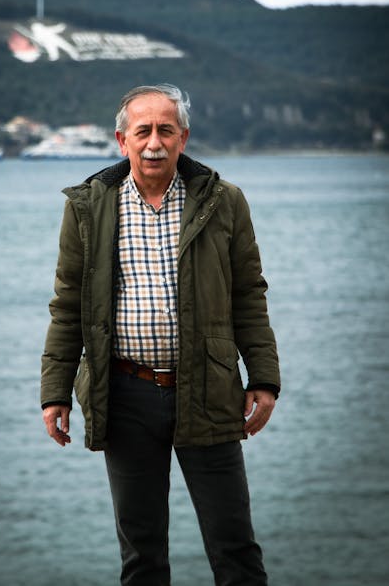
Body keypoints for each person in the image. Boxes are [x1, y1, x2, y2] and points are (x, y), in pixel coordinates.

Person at [41, 83, 280, 586]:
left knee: (235, 547)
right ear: (121, 140)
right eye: (142, 130)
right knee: (142, 554)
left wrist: (263, 377)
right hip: (124, 393)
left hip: (209, 390)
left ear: (183, 139)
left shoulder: (225, 201)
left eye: (165, 131)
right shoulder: (88, 206)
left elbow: (248, 295)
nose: (154, 142)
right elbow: (67, 305)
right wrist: (54, 392)